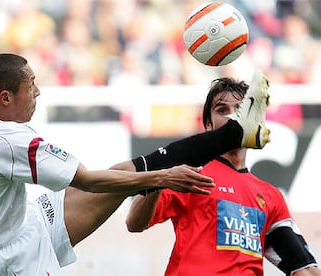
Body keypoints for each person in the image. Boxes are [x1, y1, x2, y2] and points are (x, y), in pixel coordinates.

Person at [0, 53, 217, 275]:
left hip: (25, 222)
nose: (38, 92)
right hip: (12, 260)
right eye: (30, 86)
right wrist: (162, 179)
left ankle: (232, 134)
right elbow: (88, 181)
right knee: (113, 180)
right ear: (5, 97)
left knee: (123, 172)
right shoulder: (11, 141)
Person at [121, 75, 321, 275]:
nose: (232, 116)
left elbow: (304, 268)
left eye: (241, 110)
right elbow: (135, 223)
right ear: (208, 126)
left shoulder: (270, 197)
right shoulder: (190, 171)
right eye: (222, 110)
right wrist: (161, 179)